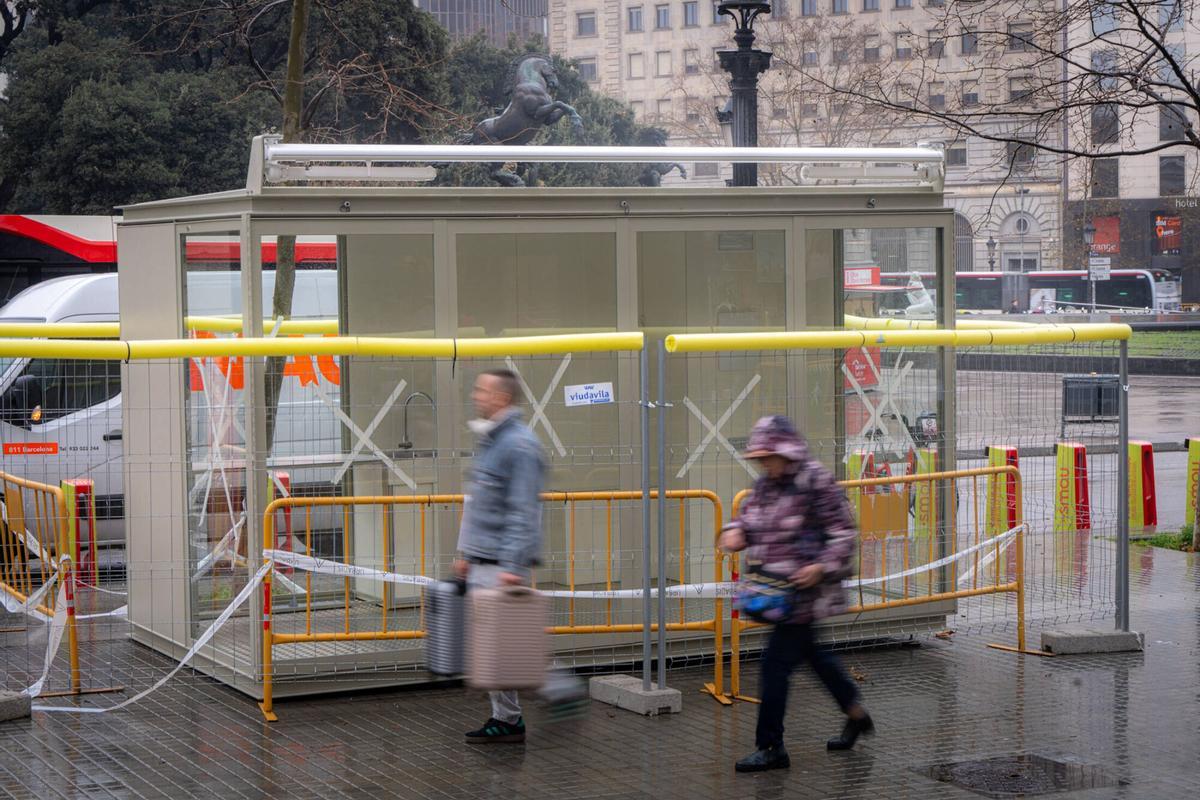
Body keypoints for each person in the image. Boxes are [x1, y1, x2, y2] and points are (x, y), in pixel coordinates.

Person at [720, 415, 874, 773]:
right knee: (817, 659)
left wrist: (820, 567)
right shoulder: (767, 485)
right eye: (759, 458)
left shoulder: (815, 481)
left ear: (785, 451)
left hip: (805, 594)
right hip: (777, 592)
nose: (763, 464)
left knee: (775, 667)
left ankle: (771, 746)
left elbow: (843, 534)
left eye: (767, 456)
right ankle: (857, 714)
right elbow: (749, 519)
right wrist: (735, 533)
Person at [453, 368, 582, 744]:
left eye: (483, 390)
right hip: (482, 560)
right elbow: (482, 505)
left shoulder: (520, 446)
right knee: (494, 648)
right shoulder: (492, 442)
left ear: (503, 398)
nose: (476, 395)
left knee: (509, 647)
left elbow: (524, 511)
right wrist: (466, 554)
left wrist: (511, 566)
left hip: (499, 566)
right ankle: (507, 718)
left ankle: (561, 690)